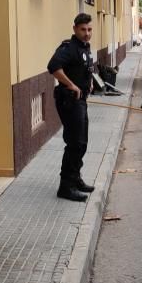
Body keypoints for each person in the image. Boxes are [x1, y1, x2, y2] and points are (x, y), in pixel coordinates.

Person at [47, 13, 97, 202]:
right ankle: (65, 187)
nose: (87, 33)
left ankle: (75, 179)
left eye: (89, 29)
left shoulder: (85, 47)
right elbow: (53, 67)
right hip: (69, 101)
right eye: (83, 29)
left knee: (81, 143)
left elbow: (84, 68)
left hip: (81, 101)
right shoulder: (68, 47)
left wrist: (89, 82)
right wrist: (71, 85)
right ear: (75, 29)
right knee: (74, 143)